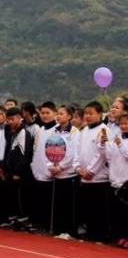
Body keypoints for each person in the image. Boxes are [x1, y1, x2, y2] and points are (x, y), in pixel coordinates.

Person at [74, 101, 110, 242]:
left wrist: (91, 171)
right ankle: (90, 233)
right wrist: (77, 168)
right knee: (87, 208)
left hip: (98, 177)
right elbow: (77, 151)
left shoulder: (104, 130)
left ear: (100, 114)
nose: (87, 116)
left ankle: (101, 235)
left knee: (99, 209)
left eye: (91, 113)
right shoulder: (83, 131)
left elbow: (102, 155)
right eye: (86, 114)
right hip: (83, 176)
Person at [48, 105, 79, 239]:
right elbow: (49, 150)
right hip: (56, 173)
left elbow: (72, 153)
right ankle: (58, 229)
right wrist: (51, 166)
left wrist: (61, 167)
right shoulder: (54, 131)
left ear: (69, 116)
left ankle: (69, 231)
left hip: (69, 173)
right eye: (58, 114)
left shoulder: (74, 132)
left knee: (68, 204)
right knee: (58, 203)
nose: (59, 116)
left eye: (62, 114)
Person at [29, 102, 58, 232]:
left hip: (51, 172)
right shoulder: (40, 130)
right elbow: (36, 150)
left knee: (48, 202)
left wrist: (52, 168)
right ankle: (39, 223)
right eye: (43, 113)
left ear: (55, 113)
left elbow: (57, 153)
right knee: (38, 200)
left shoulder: (57, 130)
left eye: (48, 113)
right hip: (38, 171)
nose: (45, 115)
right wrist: (34, 167)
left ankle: (47, 225)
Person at [100, 112, 128, 248]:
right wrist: (104, 143)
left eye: (126, 123)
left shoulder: (122, 142)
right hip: (115, 179)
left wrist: (121, 145)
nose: (123, 126)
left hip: (126, 181)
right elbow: (108, 156)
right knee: (118, 213)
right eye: (121, 123)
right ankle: (120, 236)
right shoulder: (117, 139)